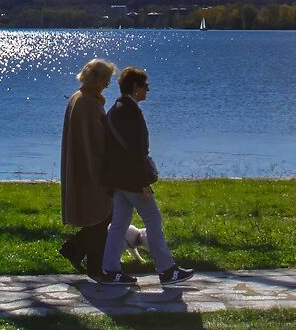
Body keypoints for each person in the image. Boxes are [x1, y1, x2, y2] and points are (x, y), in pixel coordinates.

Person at [100, 65, 194, 283]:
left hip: (119, 179)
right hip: (132, 179)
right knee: (153, 218)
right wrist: (143, 183)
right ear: (135, 87)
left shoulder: (114, 110)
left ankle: (109, 270)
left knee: (119, 224)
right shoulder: (131, 112)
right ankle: (167, 270)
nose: (147, 91)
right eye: (145, 86)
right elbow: (136, 152)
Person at [58, 58, 117, 274]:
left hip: (81, 166)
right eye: (107, 81)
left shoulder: (78, 97)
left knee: (100, 216)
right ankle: (92, 262)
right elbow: (99, 140)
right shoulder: (89, 104)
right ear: (97, 80)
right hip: (91, 169)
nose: (108, 86)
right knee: (102, 215)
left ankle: (75, 250)